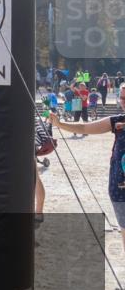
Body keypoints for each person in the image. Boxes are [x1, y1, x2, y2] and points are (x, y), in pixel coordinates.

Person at [49, 84, 125, 260]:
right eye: (121, 98)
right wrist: (59, 123)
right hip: (120, 189)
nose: (123, 102)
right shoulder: (117, 122)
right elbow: (84, 128)